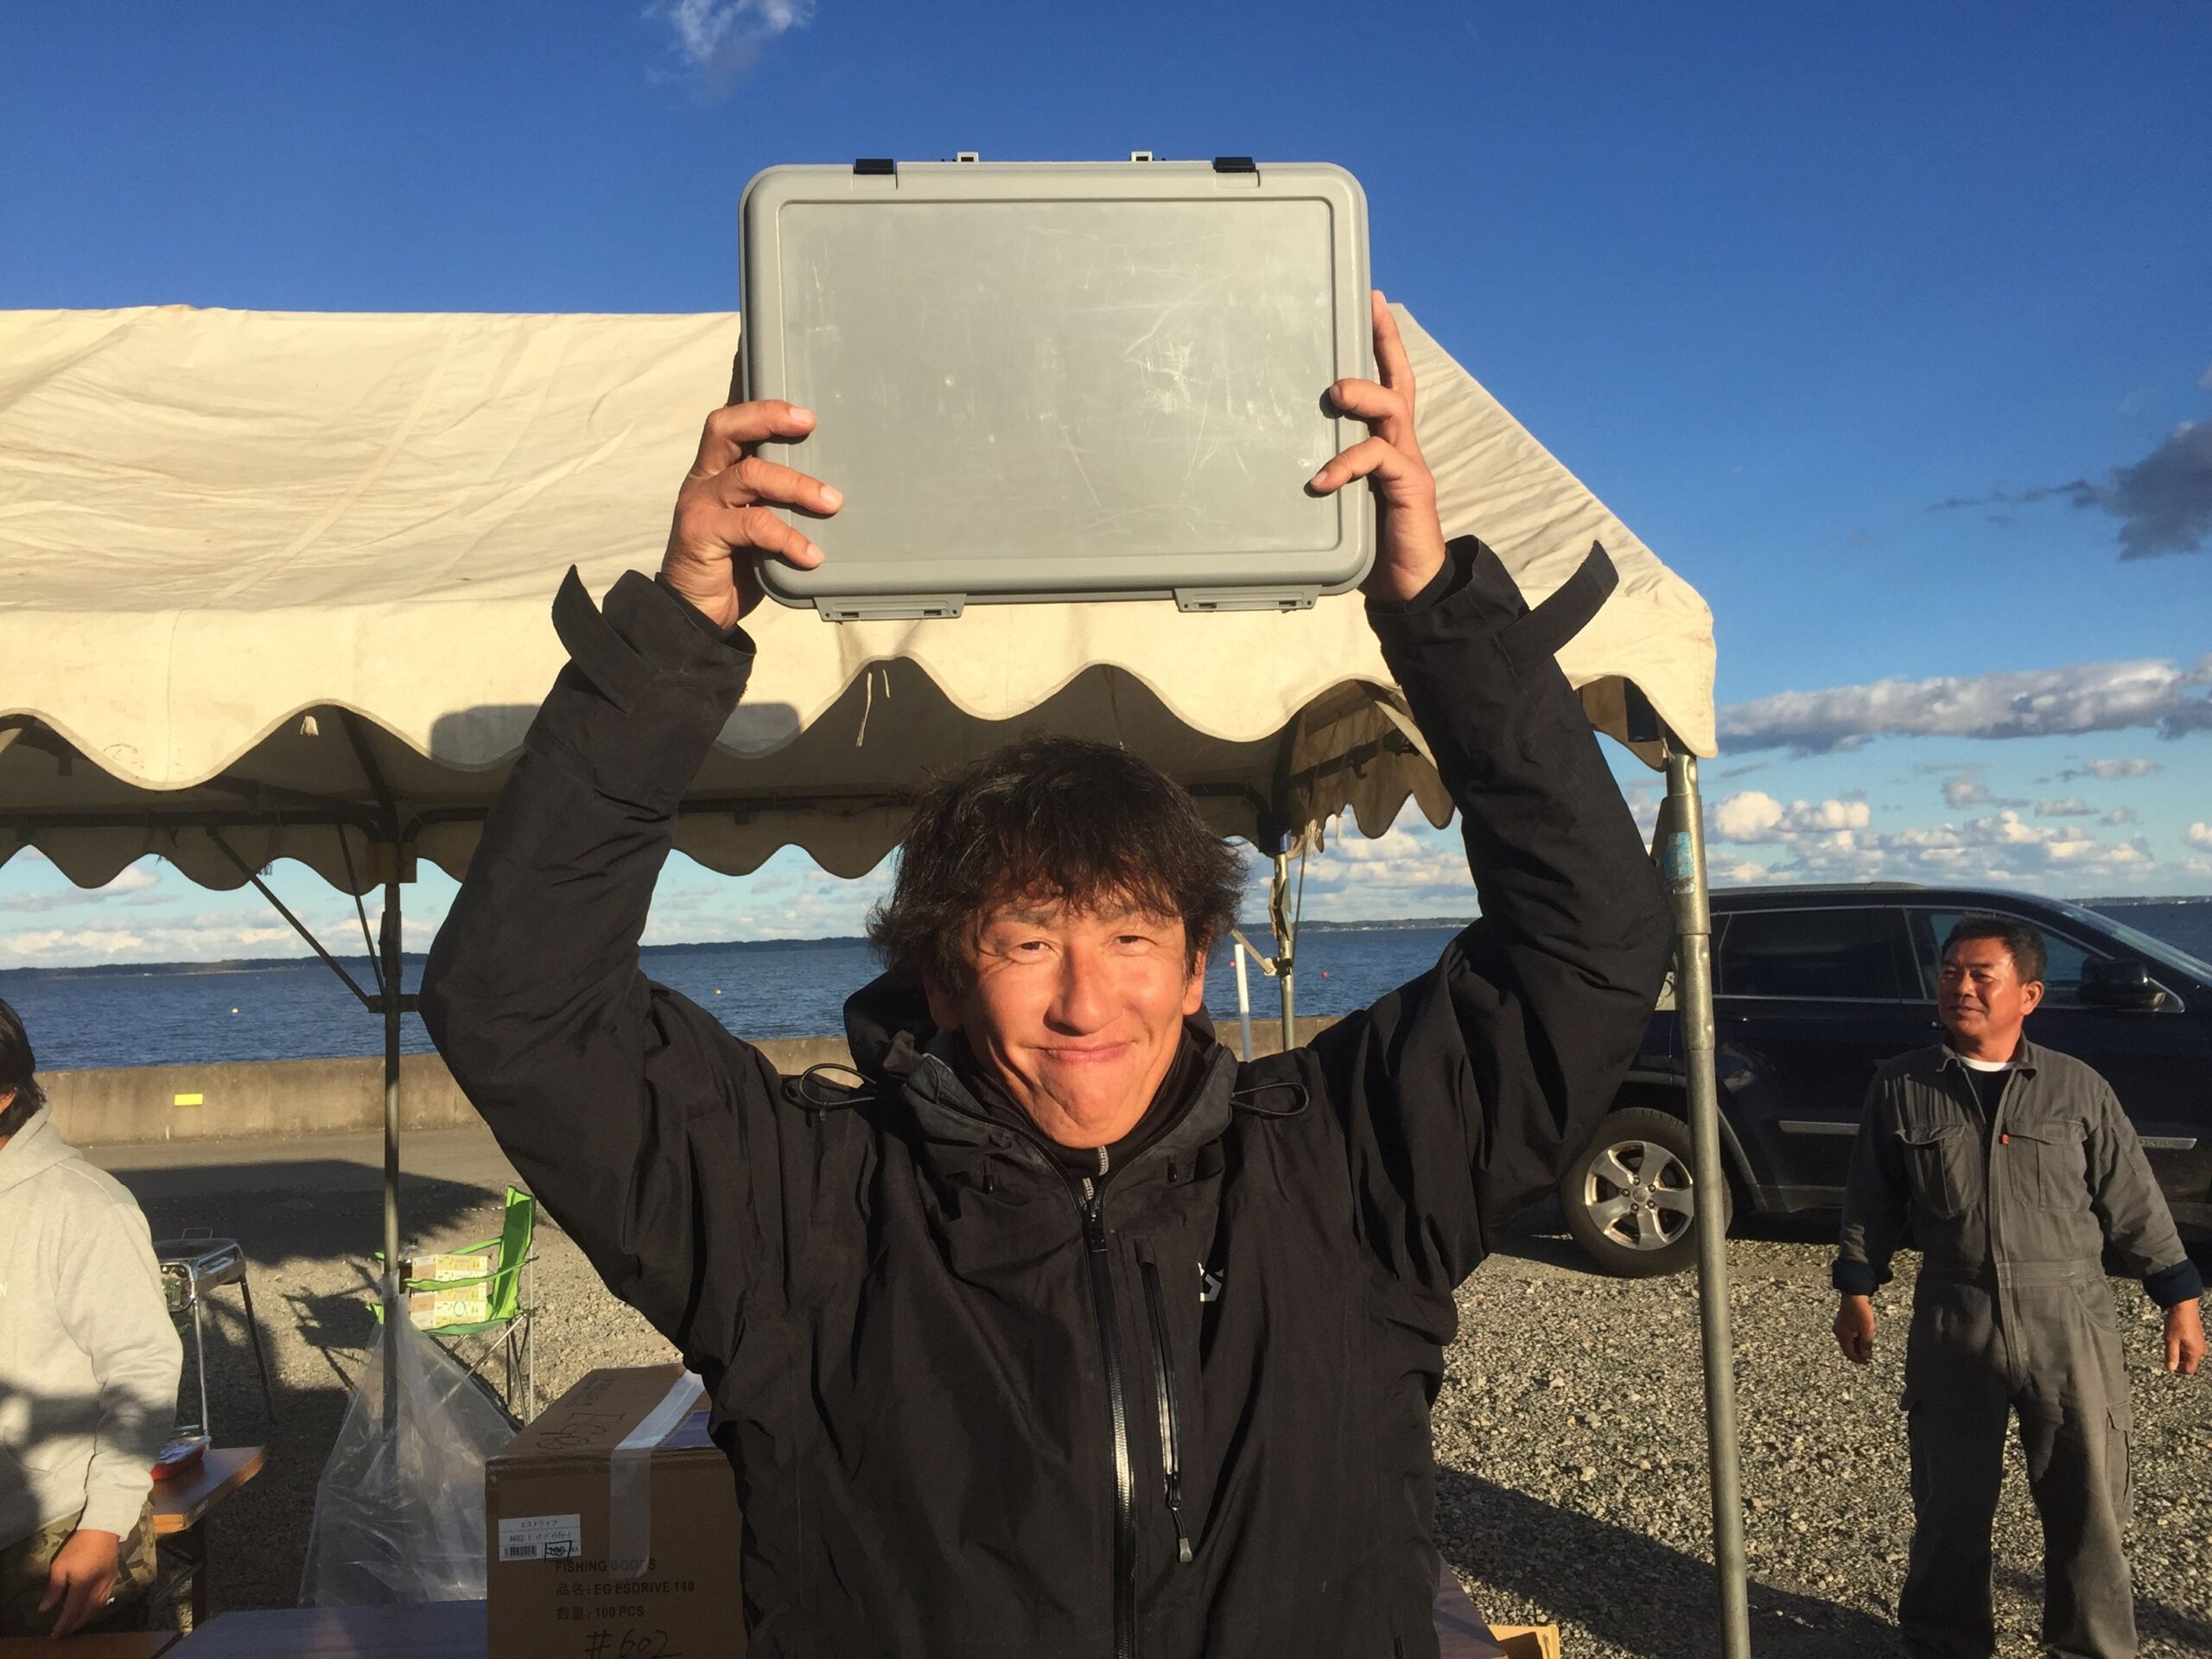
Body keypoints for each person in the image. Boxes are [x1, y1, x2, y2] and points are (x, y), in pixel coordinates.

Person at [423, 295, 1674, 1656]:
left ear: (1196, 969)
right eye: (1026, 942)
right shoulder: (801, 1219)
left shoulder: (1349, 1173)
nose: (1085, 1001)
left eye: (1131, 939)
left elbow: (1593, 947)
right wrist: (684, 620)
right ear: (941, 978)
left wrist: (1437, 615)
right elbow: (517, 1001)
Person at [1833, 917, 2205, 1659]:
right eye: (1950, 972)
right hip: (1954, 1312)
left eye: (1981, 975)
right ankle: (1943, 1644)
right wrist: (1857, 1288)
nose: (1960, 988)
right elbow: (1870, 1199)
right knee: (1949, 1506)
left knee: (2088, 1505)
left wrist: (2179, 1300)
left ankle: (2091, 1647)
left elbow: (2133, 1202)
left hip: (2069, 1316)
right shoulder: (1903, 1085)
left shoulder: (2077, 1087)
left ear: (2029, 995)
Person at [0, 998, 182, 1637]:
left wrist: (103, 1525)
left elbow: (144, 1367)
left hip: (52, 1536)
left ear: (4, 1093)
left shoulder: (86, 1206)